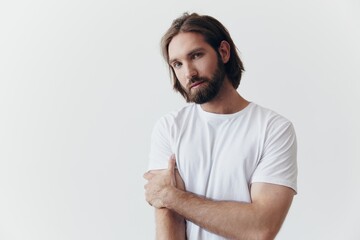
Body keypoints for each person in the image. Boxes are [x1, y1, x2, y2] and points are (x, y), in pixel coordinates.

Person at [143, 12, 297, 240]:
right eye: (177, 64)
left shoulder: (273, 129)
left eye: (196, 55)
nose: (189, 73)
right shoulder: (170, 128)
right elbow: (169, 222)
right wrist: (168, 198)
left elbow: (260, 228)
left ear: (223, 52)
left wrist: (170, 195)